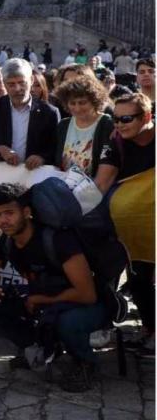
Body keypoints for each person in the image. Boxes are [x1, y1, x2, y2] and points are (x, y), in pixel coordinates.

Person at [0, 183, 106, 393]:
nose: (2, 221)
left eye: (9, 213)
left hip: (89, 306)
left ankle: (86, 363)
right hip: (45, 300)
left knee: (67, 322)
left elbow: (87, 295)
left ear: (26, 212)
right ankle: (35, 348)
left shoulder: (58, 240)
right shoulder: (6, 241)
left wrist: (40, 300)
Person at [95, 93, 154, 352]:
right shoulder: (115, 143)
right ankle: (149, 329)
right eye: (116, 119)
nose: (119, 124)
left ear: (148, 117)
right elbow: (102, 183)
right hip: (134, 227)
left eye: (126, 119)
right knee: (139, 279)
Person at [0, 58, 59, 170]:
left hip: (34, 176)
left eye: (22, 83)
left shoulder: (49, 113)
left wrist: (42, 158)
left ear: (31, 80)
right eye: (11, 84)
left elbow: (55, 148)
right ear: (4, 84)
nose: (17, 89)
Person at [51, 77, 113, 177]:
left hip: (93, 186)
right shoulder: (63, 125)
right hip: (63, 184)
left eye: (82, 102)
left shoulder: (107, 124)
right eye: (72, 103)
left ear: (95, 100)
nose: (77, 108)